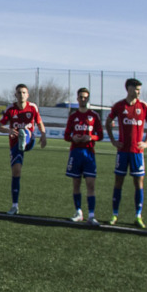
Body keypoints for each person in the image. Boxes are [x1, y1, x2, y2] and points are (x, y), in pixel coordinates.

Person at [104, 77, 147, 227]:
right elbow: (107, 122)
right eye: (136, 89)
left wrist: (146, 142)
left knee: (139, 182)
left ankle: (138, 215)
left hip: (137, 152)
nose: (138, 92)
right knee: (119, 182)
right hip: (123, 151)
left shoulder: (143, 106)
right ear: (128, 89)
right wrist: (113, 140)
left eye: (139, 89)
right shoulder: (119, 106)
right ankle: (114, 214)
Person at [0, 84, 46, 215]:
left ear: (28, 95)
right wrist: (9, 130)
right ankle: (15, 205)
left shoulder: (32, 107)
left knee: (24, 132)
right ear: (15, 95)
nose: (21, 95)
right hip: (15, 143)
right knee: (16, 172)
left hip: (30, 140)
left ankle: (25, 137)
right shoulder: (11, 109)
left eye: (24, 92)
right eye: (19, 92)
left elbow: (39, 122)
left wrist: (44, 135)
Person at [64, 87, 102, 225]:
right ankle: (79, 212)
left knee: (91, 184)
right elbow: (66, 136)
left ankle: (91, 215)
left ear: (88, 98)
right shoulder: (73, 116)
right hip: (75, 153)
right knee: (76, 184)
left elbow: (100, 135)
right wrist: (74, 138)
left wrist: (90, 137)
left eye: (85, 97)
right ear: (77, 98)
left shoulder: (94, 116)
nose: (83, 99)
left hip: (89, 154)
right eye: (81, 97)